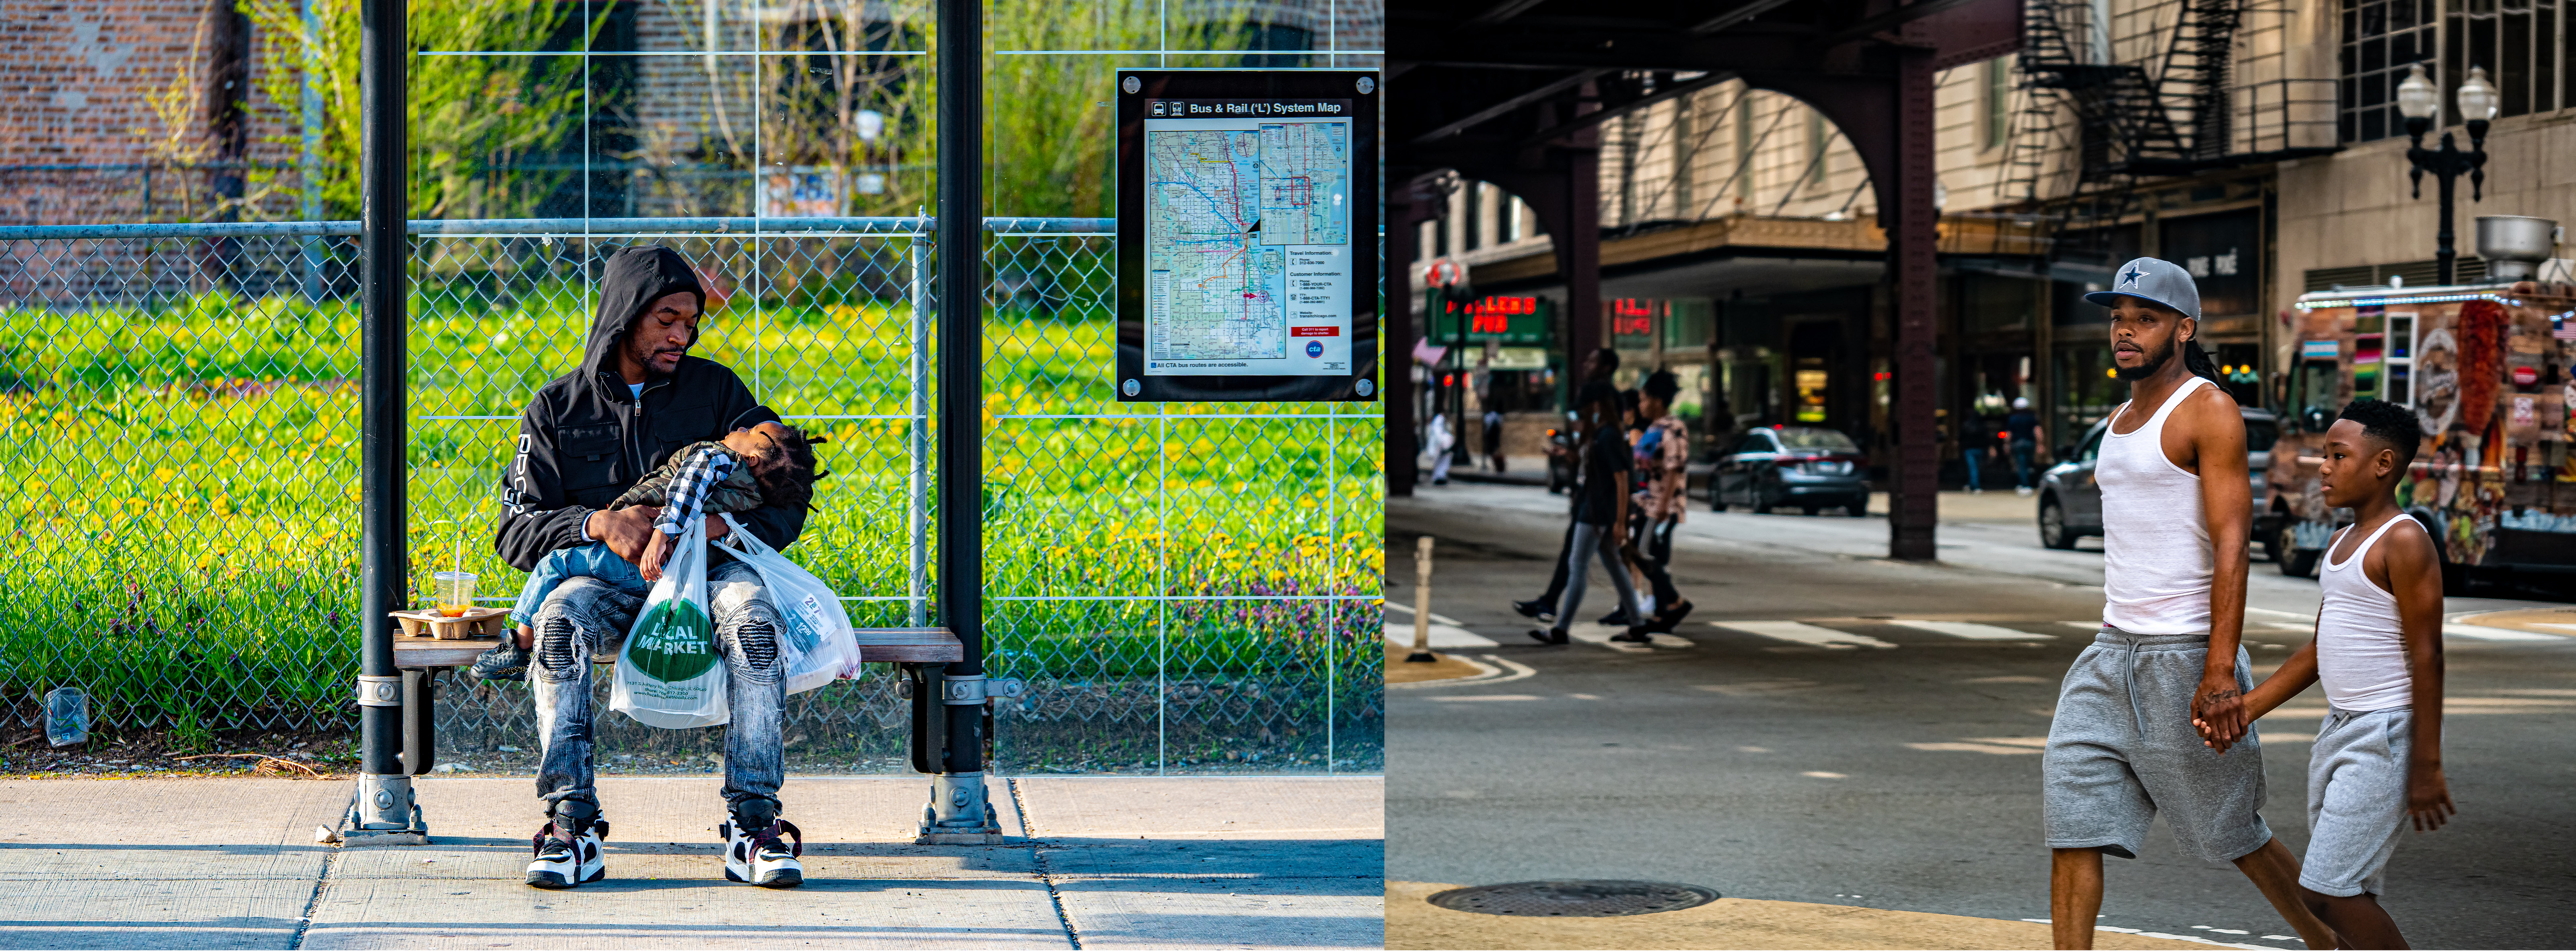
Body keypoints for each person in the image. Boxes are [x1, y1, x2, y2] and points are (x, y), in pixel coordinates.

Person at [491, 245, 814, 891]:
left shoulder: (719, 390)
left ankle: (753, 822)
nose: (681, 334)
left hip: (711, 573)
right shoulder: (556, 409)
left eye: (690, 322)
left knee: (755, 625)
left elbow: (787, 491)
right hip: (605, 582)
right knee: (558, 624)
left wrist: (715, 527)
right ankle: (570, 822)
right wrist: (598, 524)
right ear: (626, 314)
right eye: (667, 318)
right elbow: (516, 527)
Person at [2040, 257, 2336, 951]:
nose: (2124, 331)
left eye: (2142, 319)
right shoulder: (2117, 417)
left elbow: (2231, 546)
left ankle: (2331, 943)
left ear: (2182, 329)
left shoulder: (2206, 407)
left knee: (2233, 833)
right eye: (2116, 318)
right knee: (2071, 821)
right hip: (2108, 652)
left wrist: (2217, 669)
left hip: (2183, 653)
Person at [2201, 399, 2448, 950]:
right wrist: (2246, 707)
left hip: (2384, 733)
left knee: (2326, 891)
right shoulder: (2340, 543)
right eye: (2325, 454)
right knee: (2345, 889)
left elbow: (2428, 654)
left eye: (2339, 455)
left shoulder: (2404, 540)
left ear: (2384, 463)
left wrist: (2427, 762)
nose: (2324, 466)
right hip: (2339, 731)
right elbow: (2320, 648)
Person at [471, 419, 823, 679]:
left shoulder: (719, 458)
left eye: (749, 432)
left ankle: (519, 645)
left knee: (555, 563)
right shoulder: (753, 494)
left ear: (753, 460)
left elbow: (689, 484)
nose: (740, 426)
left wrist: (662, 532)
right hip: (674, 575)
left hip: (637, 560)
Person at [1529, 382, 1649, 646]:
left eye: (1588, 406)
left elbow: (1621, 479)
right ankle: (1637, 622)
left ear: (1599, 405)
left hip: (1596, 511)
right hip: (1597, 508)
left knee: (1578, 565)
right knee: (1614, 565)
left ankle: (1561, 628)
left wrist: (1620, 521)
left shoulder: (1608, 436)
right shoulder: (1603, 434)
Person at [1514, 349, 1620, 623]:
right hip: (1589, 492)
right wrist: (1569, 459)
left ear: (1607, 367)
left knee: (1581, 559)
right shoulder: (1595, 409)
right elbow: (1587, 450)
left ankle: (1557, 616)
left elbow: (1619, 471)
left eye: (1593, 360)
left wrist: (1620, 515)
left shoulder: (1608, 411)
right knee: (1604, 559)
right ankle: (1635, 612)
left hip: (1599, 496)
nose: (1586, 364)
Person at [1616, 371, 1693, 631]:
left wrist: (1662, 506)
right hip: (1647, 503)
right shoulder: (1652, 428)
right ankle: (1663, 613)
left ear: (1658, 401)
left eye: (1644, 400)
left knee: (1642, 552)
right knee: (1648, 555)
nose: (1641, 405)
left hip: (1664, 506)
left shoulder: (1674, 427)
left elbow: (1674, 467)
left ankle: (1675, 601)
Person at [2006, 396, 2045, 496]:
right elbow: (2038, 431)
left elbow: (2009, 434)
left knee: (2021, 465)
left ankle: (2025, 485)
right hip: (2030, 444)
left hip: (2018, 444)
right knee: (2028, 464)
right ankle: (2026, 483)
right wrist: (2041, 445)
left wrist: (2006, 445)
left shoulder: (2013, 419)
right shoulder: (2032, 418)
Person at [1426, 410, 1455, 485]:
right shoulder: (1440, 420)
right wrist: (1443, 442)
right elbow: (1438, 433)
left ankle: (1439, 476)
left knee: (1440, 462)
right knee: (1442, 462)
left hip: (1440, 445)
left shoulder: (1438, 420)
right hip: (1441, 445)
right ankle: (1440, 477)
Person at [1482, 405, 1506, 472]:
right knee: (1495, 450)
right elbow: (1501, 426)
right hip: (1494, 435)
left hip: (1492, 435)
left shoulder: (1489, 417)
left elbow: (1487, 426)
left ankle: (1499, 466)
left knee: (1493, 451)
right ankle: (1499, 466)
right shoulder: (1498, 417)